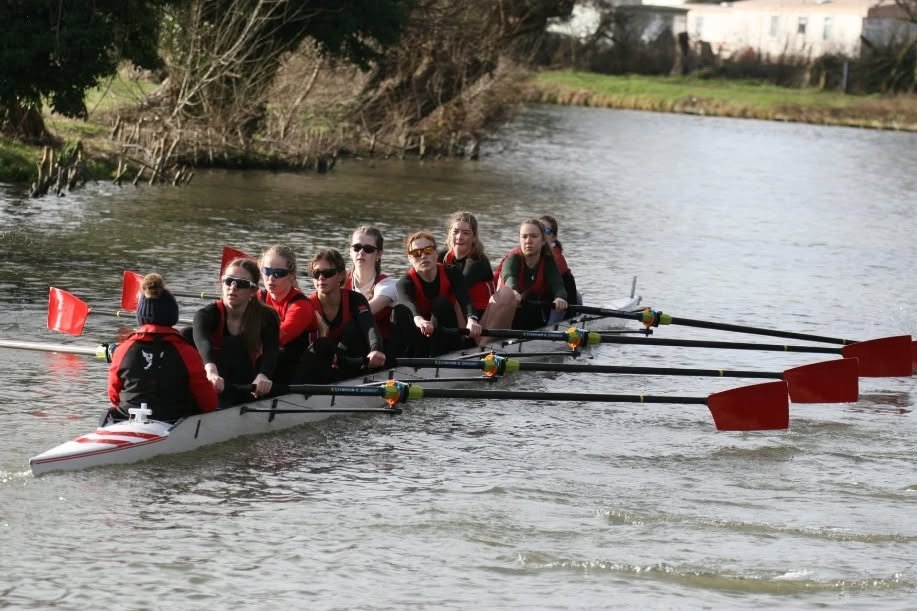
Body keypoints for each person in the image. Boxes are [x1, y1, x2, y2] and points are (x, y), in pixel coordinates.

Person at [108, 273, 217, 422]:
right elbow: (209, 404)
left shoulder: (122, 350)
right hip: (172, 422)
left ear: (140, 316)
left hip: (128, 419)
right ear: (172, 316)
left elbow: (114, 397)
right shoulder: (187, 353)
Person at [191, 257, 280, 406]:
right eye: (228, 281)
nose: (233, 287)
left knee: (235, 344)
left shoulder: (267, 317)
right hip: (215, 381)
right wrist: (211, 371)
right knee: (187, 334)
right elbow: (204, 343)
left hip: (248, 385)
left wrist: (263, 375)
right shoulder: (205, 315)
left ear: (253, 291)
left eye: (241, 283)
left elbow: (271, 351)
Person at [393, 230, 482, 357]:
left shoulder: (452, 273)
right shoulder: (404, 282)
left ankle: (442, 356)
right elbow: (406, 302)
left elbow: (465, 299)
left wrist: (472, 319)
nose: (423, 256)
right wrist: (419, 319)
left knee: (441, 303)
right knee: (399, 311)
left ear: (435, 253)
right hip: (420, 338)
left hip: (445, 336)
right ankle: (404, 358)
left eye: (428, 250)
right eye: (416, 253)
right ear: (410, 258)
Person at [306, 248, 387, 380]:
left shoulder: (355, 299)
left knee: (354, 328)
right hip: (321, 363)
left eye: (327, 273)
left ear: (341, 275)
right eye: (316, 273)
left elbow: (369, 326)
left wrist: (376, 349)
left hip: (350, 359)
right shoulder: (307, 305)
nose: (321, 278)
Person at [439, 211, 515, 342]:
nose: (459, 237)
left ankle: (478, 345)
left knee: (507, 293)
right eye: (455, 232)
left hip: (481, 322)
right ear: (449, 234)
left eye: (466, 233)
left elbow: (459, 287)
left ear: (474, 238)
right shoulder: (442, 257)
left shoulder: (478, 261)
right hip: (457, 318)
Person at [258, 245, 315, 383]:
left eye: (278, 273)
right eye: (267, 271)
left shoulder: (301, 306)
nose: (270, 278)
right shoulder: (258, 297)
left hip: (292, 368)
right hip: (265, 360)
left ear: (292, 275)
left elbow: (278, 338)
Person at [499, 219, 569, 330]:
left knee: (532, 297)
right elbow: (510, 279)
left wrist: (560, 298)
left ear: (543, 241)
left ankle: (543, 331)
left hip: (530, 311)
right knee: (528, 296)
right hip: (504, 315)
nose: (528, 241)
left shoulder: (548, 262)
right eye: (524, 237)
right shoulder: (512, 260)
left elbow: (558, 286)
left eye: (534, 236)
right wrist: (513, 292)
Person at [344, 226, 397, 351]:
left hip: (380, 349)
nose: (361, 252)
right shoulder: (338, 279)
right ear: (350, 251)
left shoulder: (387, 285)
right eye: (356, 247)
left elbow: (365, 312)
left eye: (368, 249)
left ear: (378, 254)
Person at [539, 214, 580, 321]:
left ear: (554, 237)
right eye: (539, 229)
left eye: (546, 230)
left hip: (563, 302)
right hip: (549, 298)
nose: (542, 234)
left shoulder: (555, 257)